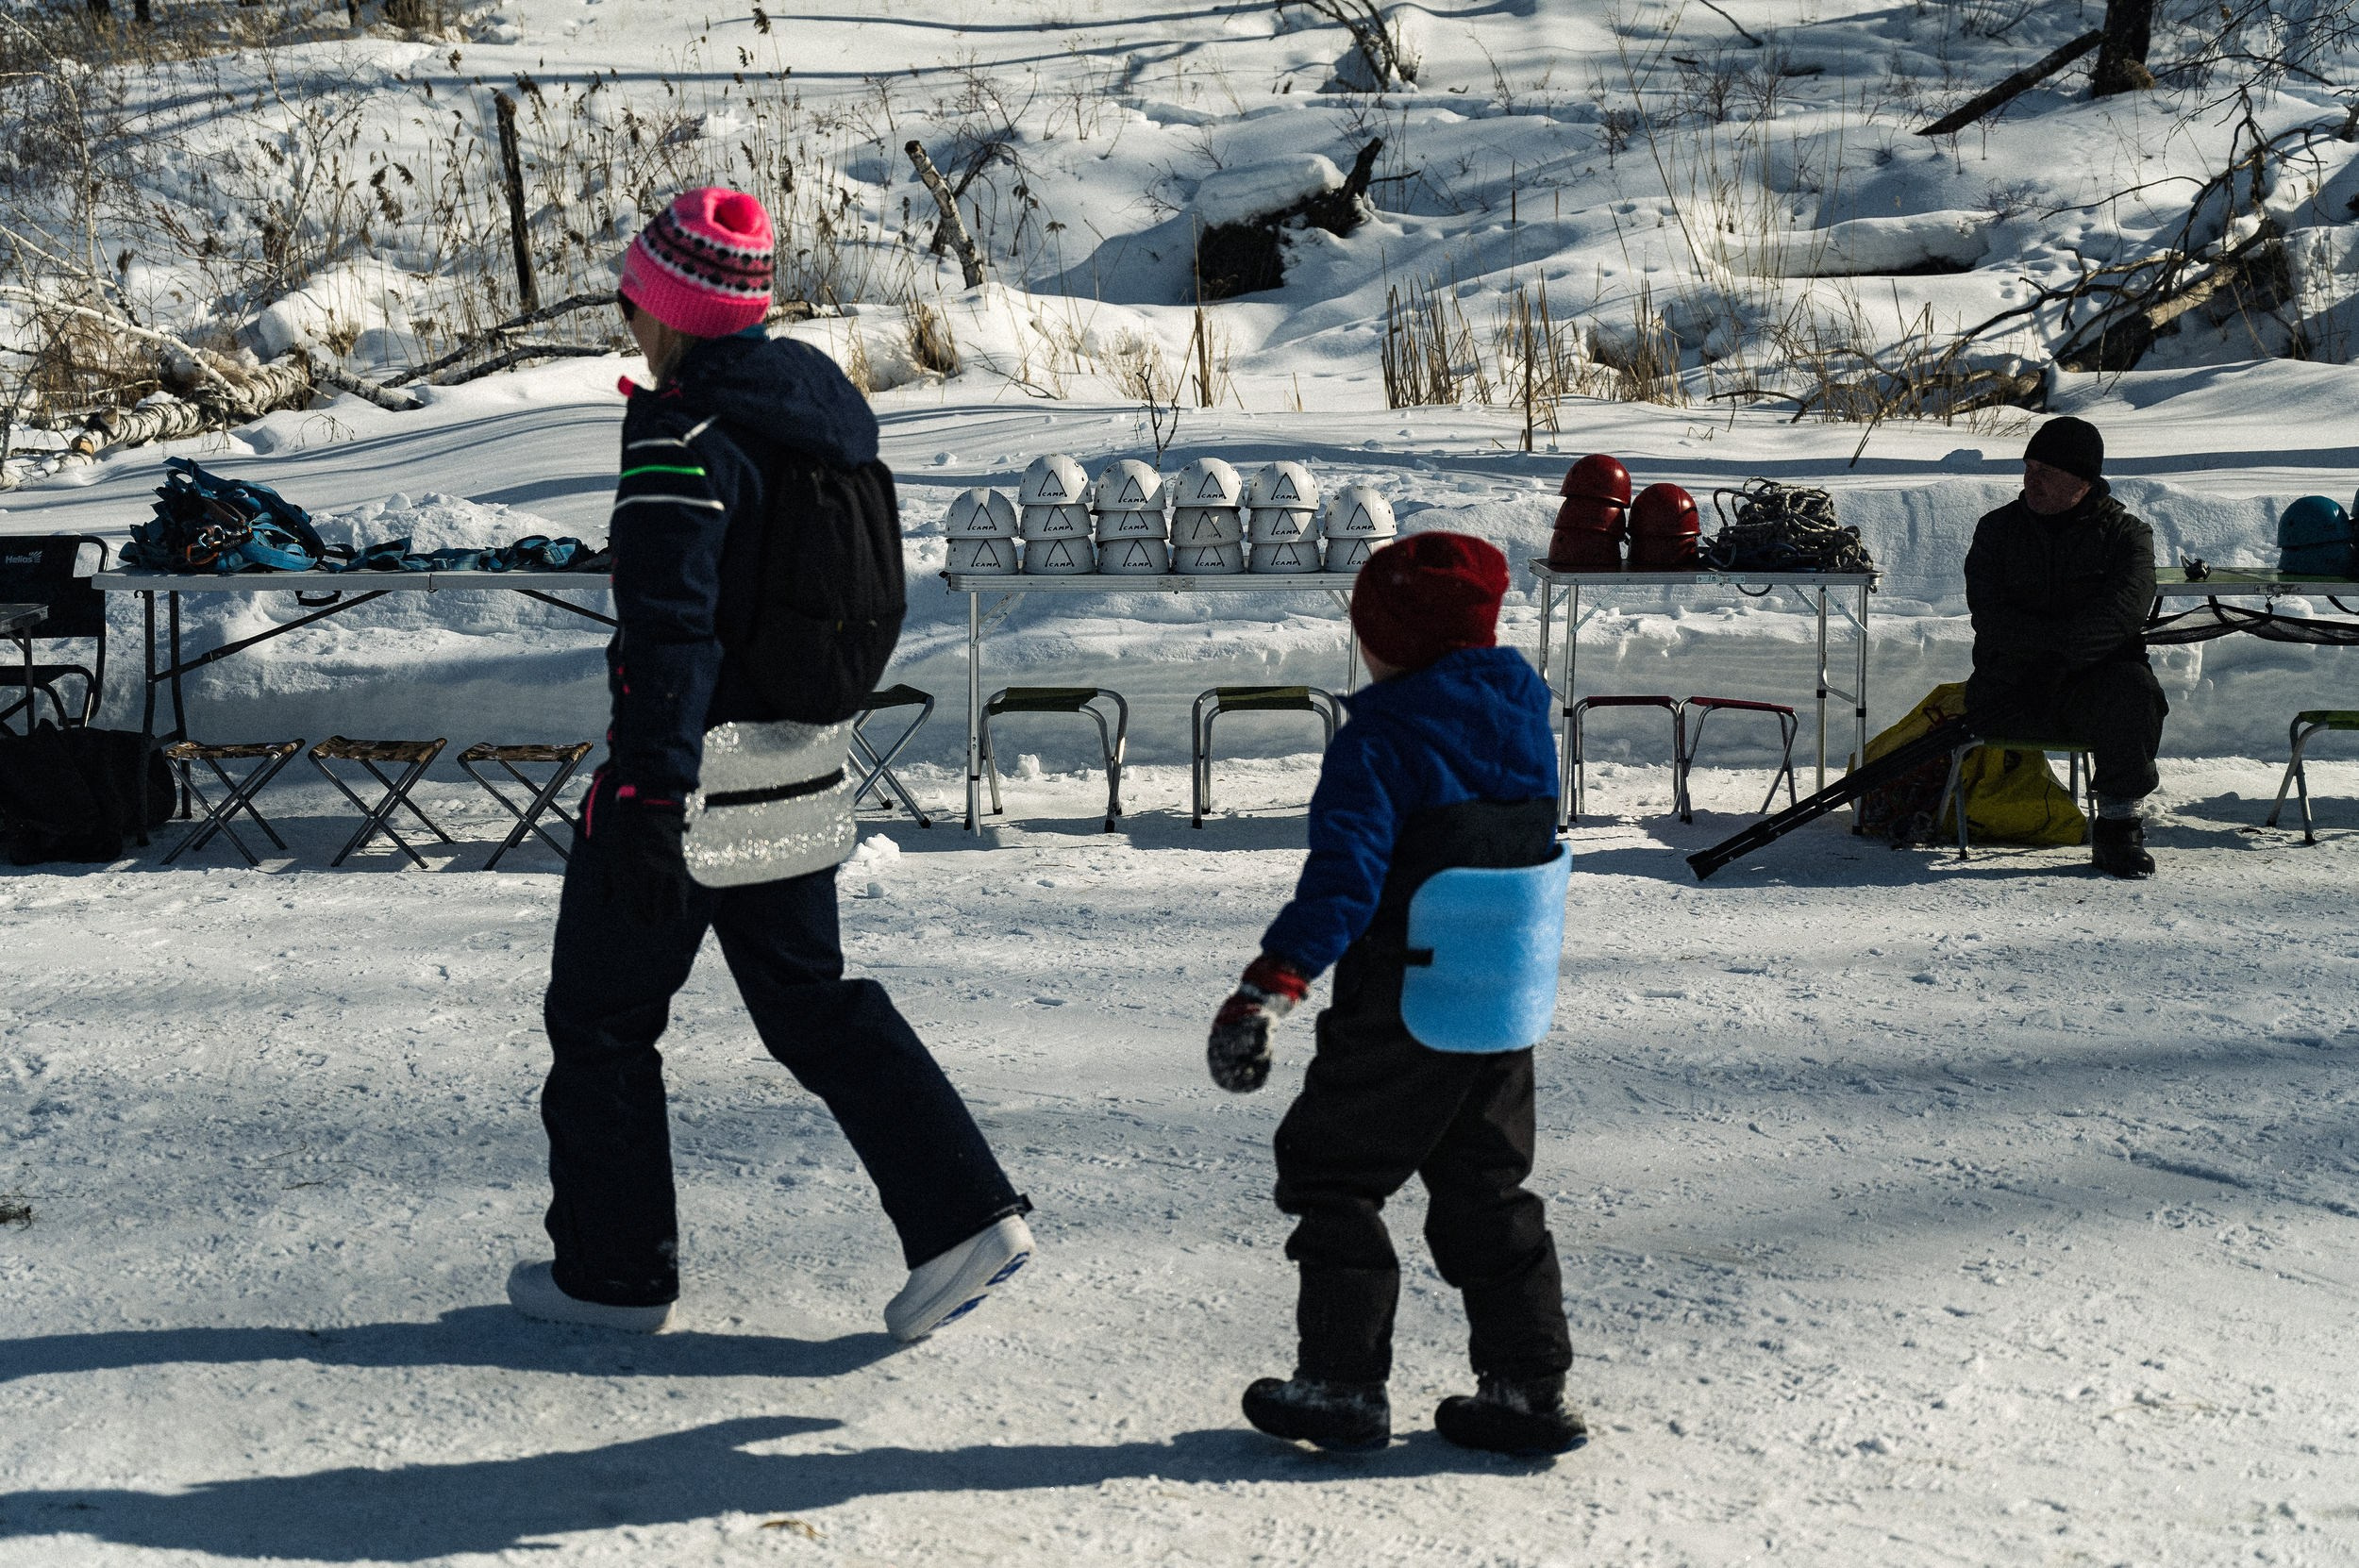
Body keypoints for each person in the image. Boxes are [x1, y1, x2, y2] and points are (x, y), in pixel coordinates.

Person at [509, 187, 1032, 1339]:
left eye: (632, 299)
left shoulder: (680, 436)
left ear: (669, 307)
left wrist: (646, 791)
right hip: (793, 772)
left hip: (685, 781)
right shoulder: (823, 424)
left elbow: (671, 629)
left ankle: (613, 1275)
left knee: (600, 1019)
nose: (624, 320)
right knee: (812, 1005)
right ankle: (966, 1216)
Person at [1206, 531, 1583, 1458]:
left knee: (1332, 1172)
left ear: (1391, 637)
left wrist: (1270, 986)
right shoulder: (1525, 714)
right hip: (1499, 1002)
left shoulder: (1380, 736)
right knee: (1487, 1186)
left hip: (1404, 998)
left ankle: (1341, 1383)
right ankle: (1526, 1390)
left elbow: (1345, 884)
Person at [1963, 416, 2165, 878]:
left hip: (2092, 690)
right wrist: (2036, 659)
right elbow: (1990, 614)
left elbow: (2121, 614)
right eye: (2029, 467)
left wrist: (2062, 659)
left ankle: (2118, 827)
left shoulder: (2127, 536)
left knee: (2134, 690)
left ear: (2083, 482)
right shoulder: (1996, 530)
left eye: (2046, 472)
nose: (2032, 481)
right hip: (2011, 687)